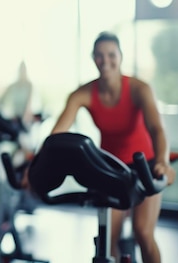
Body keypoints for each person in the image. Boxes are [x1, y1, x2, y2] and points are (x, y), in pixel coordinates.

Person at [51, 31, 176, 263]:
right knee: (108, 237)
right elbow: (57, 135)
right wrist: (39, 165)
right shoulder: (84, 93)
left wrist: (162, 161)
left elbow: (157, 129)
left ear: (120, 56)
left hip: (146, 166)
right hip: (112, 170)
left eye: (111, 54)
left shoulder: (139, 89)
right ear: (93, 58)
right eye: (99, 55)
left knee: (143, 232)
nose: (105, 60)